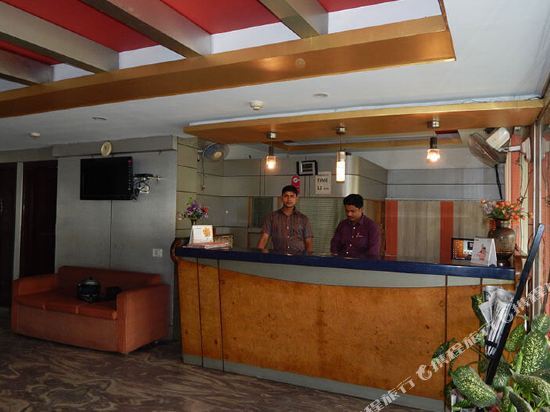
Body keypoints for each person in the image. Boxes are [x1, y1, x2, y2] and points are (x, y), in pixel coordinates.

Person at [257, 185, 313, 254]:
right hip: (278, 257)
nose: (289, 199)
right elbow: (264, 238)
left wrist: (308, 258)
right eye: (286, 196)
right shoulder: (271, 217)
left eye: (292, 196)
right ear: (281, 198)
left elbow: (309, 242)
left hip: (298, 257)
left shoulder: (304, 219)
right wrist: (258, 256)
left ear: (296, 199)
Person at [330, 194, 381, 258]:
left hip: (361, 263)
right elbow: (334, 245)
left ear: (361, 209)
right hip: (342, 262)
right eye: (347, 211)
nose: (349, 214)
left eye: (352, 211)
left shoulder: (371, 226)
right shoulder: (342, 224)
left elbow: (373, 252)